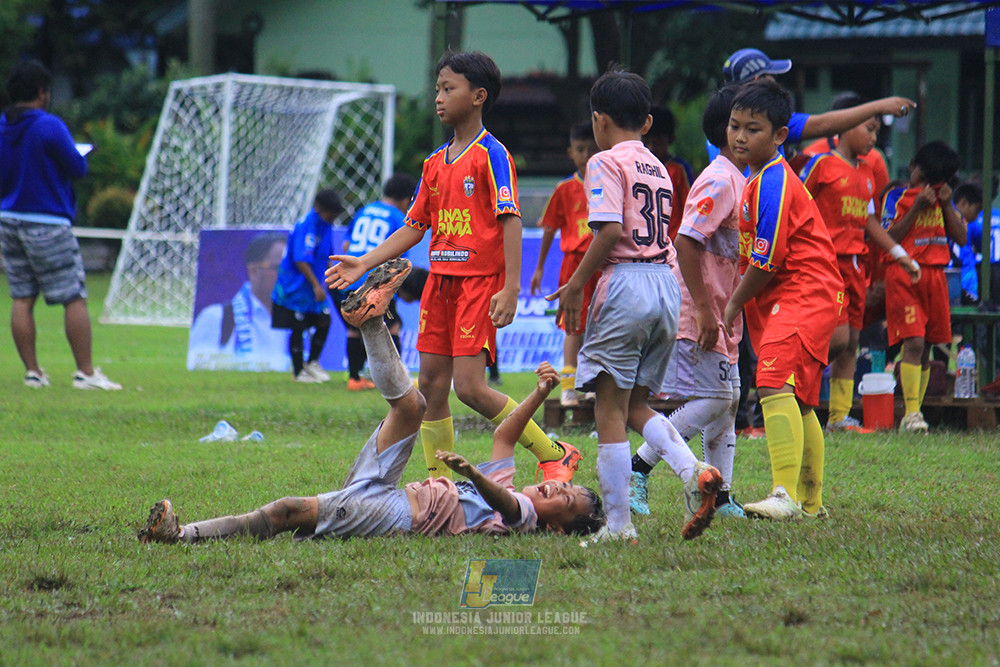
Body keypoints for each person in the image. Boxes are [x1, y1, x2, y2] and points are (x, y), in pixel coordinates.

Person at [138, 259, 605, 544]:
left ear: (558, 529)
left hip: (400, 515)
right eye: (564, 485)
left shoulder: (521, 519)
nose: (554, 489)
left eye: (564, 500)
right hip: (398, 492)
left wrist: (472, 472)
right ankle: (370, 320)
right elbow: (505, 434)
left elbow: (501, 500)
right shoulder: (518, 490)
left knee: (286, 510)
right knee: (412, 407)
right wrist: (539, 393)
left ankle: (182, 535)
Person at [326, 51, 582, 483]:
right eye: (438, 89)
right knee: (430, 387)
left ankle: (554, 452)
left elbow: (512, 219)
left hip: (478, 286)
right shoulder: (433, 163)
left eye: (449, 89)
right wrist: (365, 262)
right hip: (439, 288)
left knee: (470, 388)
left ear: (478, 96)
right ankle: (439, 482)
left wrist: (511, 287)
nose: (439, 98)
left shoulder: (492, 155)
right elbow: (413, 228)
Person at [549, 70, 723, 543]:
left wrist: (575, 285)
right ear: (647, 122)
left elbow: (607, 232)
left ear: (598, 121)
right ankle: (692, 471)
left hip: (626, 284)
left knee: (609, 407)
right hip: (664, 285)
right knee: (637, 405)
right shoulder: (658, 166)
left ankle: (619, 525)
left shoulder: (604, 162)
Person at [721, 79, 844, 521]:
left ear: (779, 136)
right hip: (807, 292)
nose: (739, 136)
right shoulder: (760, 179)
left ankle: (784, 495)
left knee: (772, 384)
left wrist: (731, 305)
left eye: (752, 129)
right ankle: (810, 503)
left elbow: (767, 259)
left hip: (803, 291)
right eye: (734, 126)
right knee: (803, 399)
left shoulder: (774, 181)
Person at [629, 83, 747, 520]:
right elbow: (685, 240)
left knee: (729, 400)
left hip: (723, 310)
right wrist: (702, 308)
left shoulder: (744, 180)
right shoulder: (719, 179)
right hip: (700, 310)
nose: (748, 136)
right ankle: (638, 467)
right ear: (725, 132)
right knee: (716, 399)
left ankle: (721, 493)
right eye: (741, 127)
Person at [799, 97, 921, 432]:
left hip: (857, 267)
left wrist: (900, 255)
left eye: (876, 131)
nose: (873, 138)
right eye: (868, 128)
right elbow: (797, 206)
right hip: (827, 265)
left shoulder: (867, 172)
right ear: (845, 125)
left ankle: (838, 417)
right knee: (835, 340)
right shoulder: (821, 165)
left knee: (851, 342)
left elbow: (870, 222)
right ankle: (795, 394)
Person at [0, 60, 122, 390]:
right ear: (42, 92)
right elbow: (76, 168)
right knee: (73, 296)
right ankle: (85, 372)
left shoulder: (2, 125)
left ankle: (33, 372)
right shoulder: (48, 125)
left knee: (22, 296)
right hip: (47, 220)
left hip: (8, 219)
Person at [881, 141, 965, 433]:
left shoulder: (944, 198)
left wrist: (945, 203)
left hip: (936, 276)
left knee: (928, 344)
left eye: (935, 181)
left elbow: (961, 238)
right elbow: (888, 236)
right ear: (913, 165)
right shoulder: (897, 195)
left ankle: (917, 409)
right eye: (924, 177)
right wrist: (917, 207)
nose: (928, 185)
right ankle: (912, 413)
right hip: (904, 273)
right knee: (913, 342)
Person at [713, 48, 917, 163]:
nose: (777, 83)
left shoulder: (719, 117)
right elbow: (823, 125)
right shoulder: (766, 119)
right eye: (773, 76)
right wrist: (878, 107)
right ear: (758, 79)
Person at [530, 121, 600, 407]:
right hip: (573, 264)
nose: (586, 155)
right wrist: (539, 268)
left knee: (599, 324)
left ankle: (593, 384)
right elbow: (549, 228)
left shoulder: (609, 182)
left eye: (591, 149)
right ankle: (569, 387)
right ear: (571, 153)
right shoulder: (565, 189)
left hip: (602, 264)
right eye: (581, 150)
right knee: (572, 325)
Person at [336, 173, 418, 390]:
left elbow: (346, 246)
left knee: (355, 327)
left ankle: (354, 378)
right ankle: (397, 379)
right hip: (375, 278)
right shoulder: (398, 218)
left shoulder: (364, 210)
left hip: (349, 277)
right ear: (407, 199)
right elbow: (399, 257)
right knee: (393, 326)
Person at [187, 232, 291, 371]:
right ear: (254, 271)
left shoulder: (302, 321)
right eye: (279, 269)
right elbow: (198, 367)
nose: (289, 276)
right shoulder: (216, 318)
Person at [272, 188, 343, 383]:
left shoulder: (327, 225)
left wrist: (330, 277)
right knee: (298, 324)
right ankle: (298, 371)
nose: (333, 217)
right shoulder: (306, 225)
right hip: (296, 285)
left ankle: (312, 362)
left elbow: (327, 255)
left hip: (315, 285)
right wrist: (316, 286)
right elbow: (301, 259)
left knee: (324, 320)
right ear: (319, 208)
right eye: (331, 213)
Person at [644, 106, 692, 241]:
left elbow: (691, 207)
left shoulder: (679, 169)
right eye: (647, 142)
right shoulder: (637, 168)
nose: (652, 147)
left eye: (658, 142)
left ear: (670, 139)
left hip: (673, 242)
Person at [953, 183, 1000, 304]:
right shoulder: (956, 219)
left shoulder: (969, 222)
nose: (976, 216)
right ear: (964, 203)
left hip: (970, 272)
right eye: (977, 210)